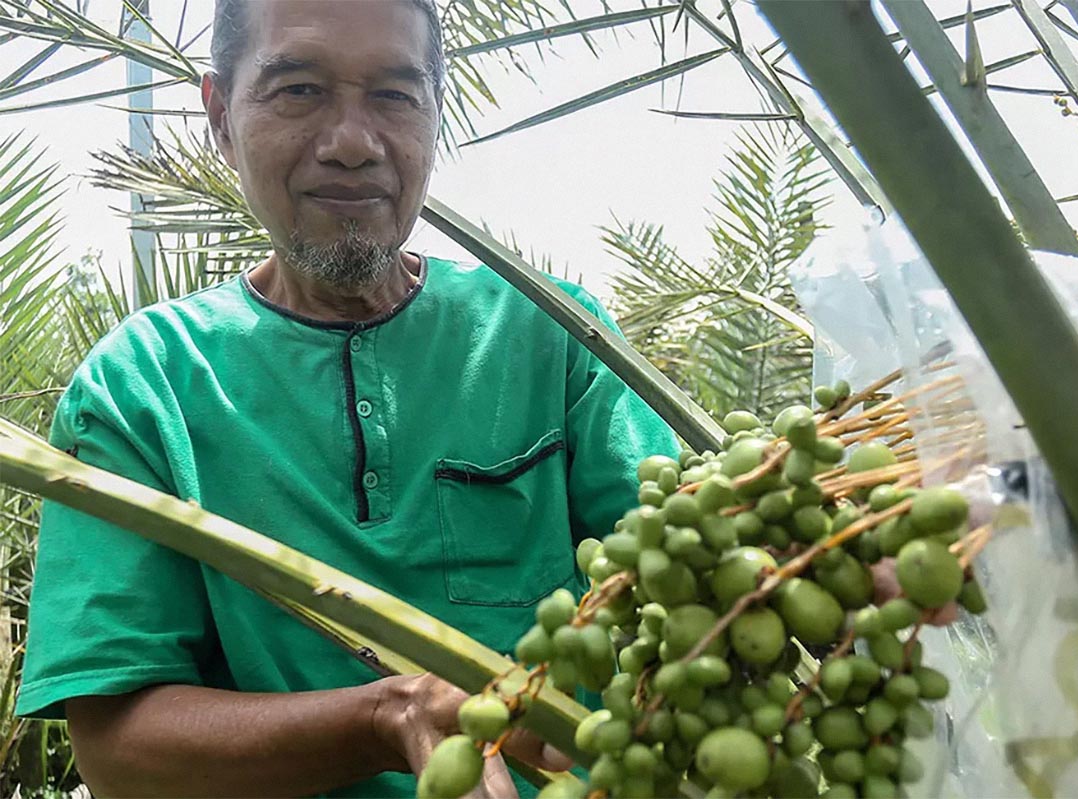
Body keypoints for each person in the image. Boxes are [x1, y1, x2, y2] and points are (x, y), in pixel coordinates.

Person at [14, 1, 678, 796]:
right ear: (221, 116)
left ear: (435, 113)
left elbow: (685, 567)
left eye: (396, 96)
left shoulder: (555, 335)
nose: (354, 144)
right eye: (299, 90)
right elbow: (119, 749)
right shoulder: (145, 386)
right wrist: (386, 717)